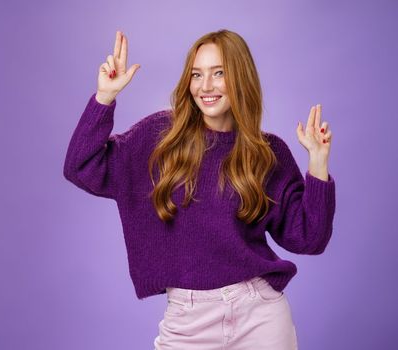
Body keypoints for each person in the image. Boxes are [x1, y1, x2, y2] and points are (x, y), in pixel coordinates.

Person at [63, 29, 335, 349]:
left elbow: (309, 238)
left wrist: (318, 164)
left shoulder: (267, 152)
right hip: (187, 320)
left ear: (241, 78)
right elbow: (80, 167)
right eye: (197, 74)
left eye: (219, 73)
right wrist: (104, 98)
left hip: (259, 316)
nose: (205, 86)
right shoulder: (159, 137)